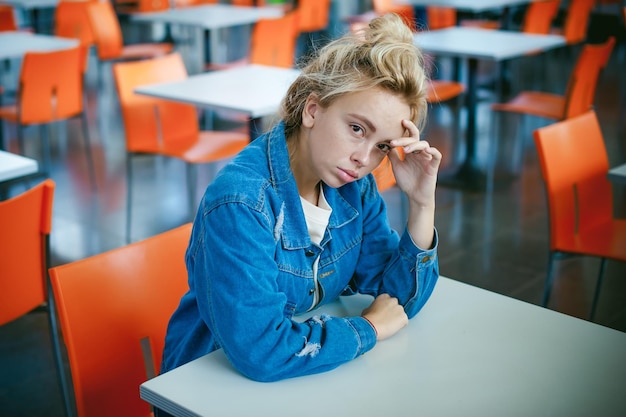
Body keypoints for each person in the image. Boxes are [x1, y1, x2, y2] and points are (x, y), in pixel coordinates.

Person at [159, 12, 441, 387]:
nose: (364, 159)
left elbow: (397, 302)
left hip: (295, 381)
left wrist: (422, 205)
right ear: (313, 110)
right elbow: (261, 350)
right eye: (357, 129)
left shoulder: (354, 186)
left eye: (383, 146)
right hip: (205, 388)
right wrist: (368, 328)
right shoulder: (241, 202)